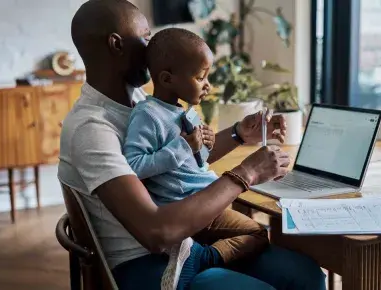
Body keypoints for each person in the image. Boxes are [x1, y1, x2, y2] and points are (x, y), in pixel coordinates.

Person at [58, 0, 326, 289]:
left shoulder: (138, 101)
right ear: (116, 44)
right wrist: (246, 174)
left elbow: (179, 162)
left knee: (306, 274)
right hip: (149, 264)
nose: (152, 45)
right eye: (146, 36)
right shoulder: (92, 128)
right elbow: (157, 231)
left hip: (187, 242)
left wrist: (238, 134)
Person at [124, 27, 270, 289]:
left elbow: (193, 163)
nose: (208, 85)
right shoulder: (147, 114)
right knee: (257, 232)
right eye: (200, 77)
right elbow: (134, 167)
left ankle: (196, 252)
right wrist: (183, 145)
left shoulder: (183, 111)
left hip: (205, 198)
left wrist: (203, 147)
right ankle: (199, 259)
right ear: (167, 79)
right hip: (189, 207)